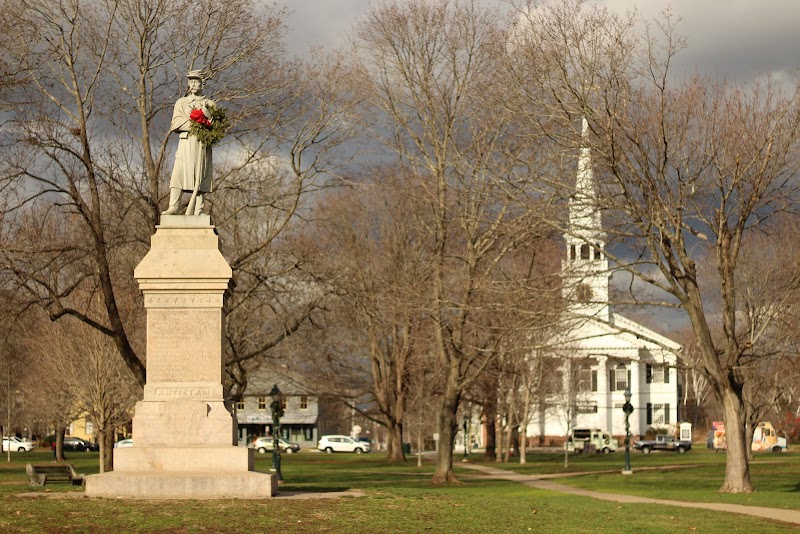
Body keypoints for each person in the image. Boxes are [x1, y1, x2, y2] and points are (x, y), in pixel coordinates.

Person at [163, 70, 215, 216]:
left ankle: (199, 210)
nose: (192, 84)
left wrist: (207, 116)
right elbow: (176, 124)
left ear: (202, 83)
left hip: (202, 145)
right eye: (190, 81)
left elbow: (216, 127)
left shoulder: (210, 104)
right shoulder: (182, 102)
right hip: (185, 144)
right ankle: (174, 206)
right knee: (177, 174)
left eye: (196, 81)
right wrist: (196, 123)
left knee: (200, 175)